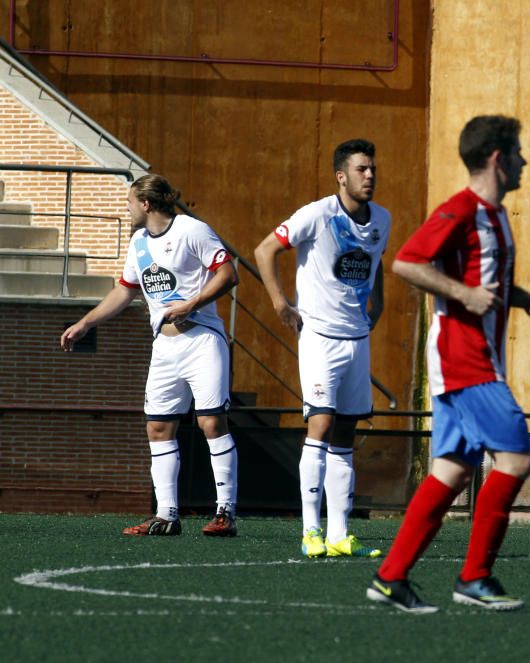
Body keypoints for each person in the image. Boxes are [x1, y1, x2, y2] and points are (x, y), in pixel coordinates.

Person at [366, 115, 530, 614]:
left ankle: (391, 577)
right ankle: (474, 577)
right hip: (464, 362)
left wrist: (521, 297)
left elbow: (482, 278)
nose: (524, 161)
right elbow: (406, 262)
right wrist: (464, 293)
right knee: (515, 459)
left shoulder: (497, 215)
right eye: (518, 152)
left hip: (479, 361)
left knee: (452, 469)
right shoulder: (461, 209)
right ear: (497, 158)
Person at [61, 174, 240, 537]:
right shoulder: (139, 243)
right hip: (164, 346)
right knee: (158, 427)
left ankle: (226, 513)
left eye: (129, 202)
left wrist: (192, 303)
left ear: (146, 204)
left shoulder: (192, 230)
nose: (126, 210)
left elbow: (228, 273)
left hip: (203, 341)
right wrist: (86, 322)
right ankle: (166, 515)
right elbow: (124, 292)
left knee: (210, 424)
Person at [254, 139, 390, 559]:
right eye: (361, 169)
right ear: (341, 176)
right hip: (319, 338)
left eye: (372, 169)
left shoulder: (382, 218)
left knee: (347, 432)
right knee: (321, 425)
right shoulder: (317, 214)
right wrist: (279, 302)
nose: (370, 176)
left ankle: (339, 534)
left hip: (357, 339)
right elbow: (264, 250)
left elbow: (376, 257)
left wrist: (379, 304)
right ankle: (310, 532)